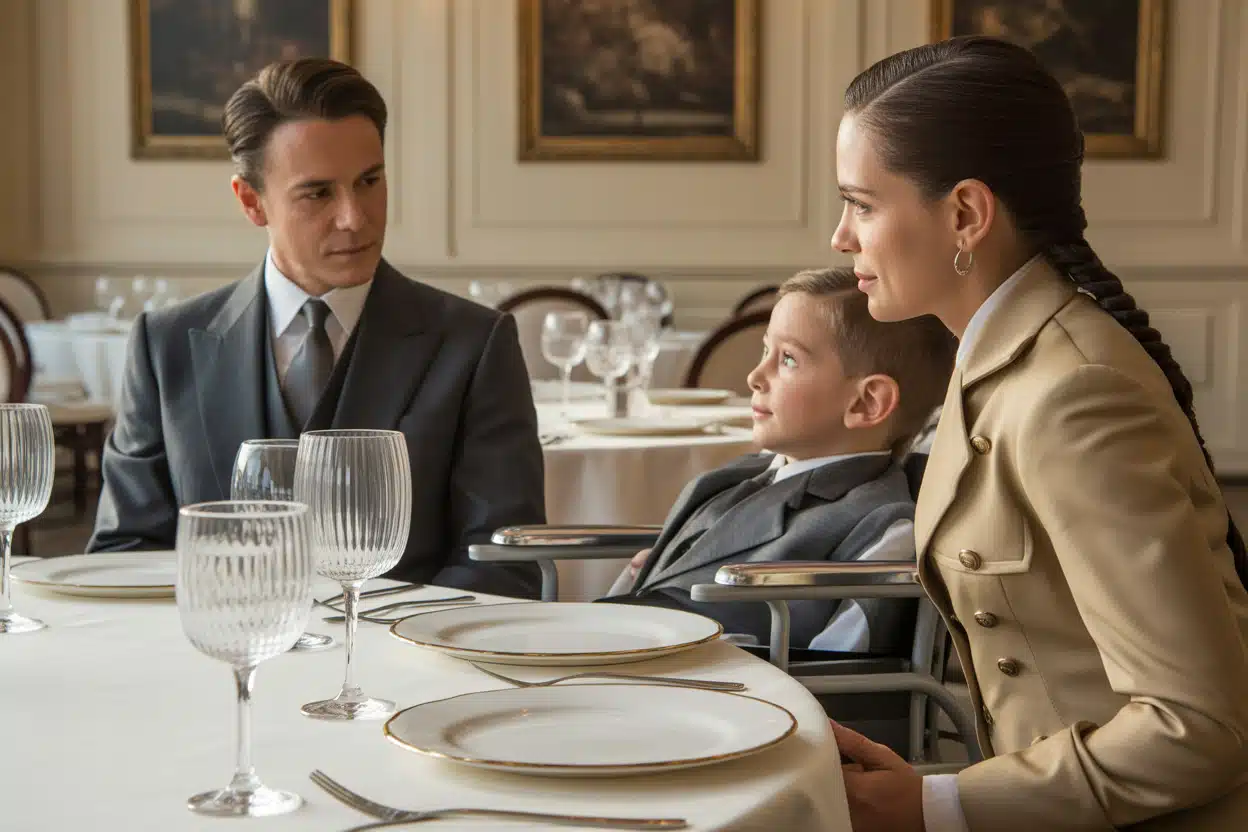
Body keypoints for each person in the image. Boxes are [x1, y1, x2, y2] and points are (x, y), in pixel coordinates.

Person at [826, 35, 1248, 831]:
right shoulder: (1002, 355)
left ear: (965, 214)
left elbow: (1199, 728)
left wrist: (937, 804)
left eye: (862, 203)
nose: (841, 237)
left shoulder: (1072, 392)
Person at [88, 58, 545, 599]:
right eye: (318, 193)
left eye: (369, 181)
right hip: (221, 664)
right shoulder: (164, 346)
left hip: (406, 674)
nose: (355, 217)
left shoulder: (475, 345)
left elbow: (501, 561)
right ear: (251, 202)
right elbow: (125, 555)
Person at [601, 267, 956, 653]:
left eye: (788, 359)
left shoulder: (883, 525)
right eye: (765, 351)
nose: (755, 376)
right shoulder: (731, 479)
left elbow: (837, 674)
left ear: (866, 402)